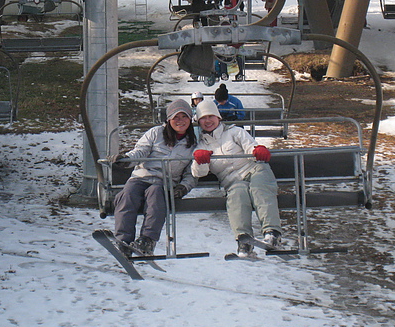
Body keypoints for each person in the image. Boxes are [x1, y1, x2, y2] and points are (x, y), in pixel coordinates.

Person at [191, 99, 282, 257]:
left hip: (254, 169)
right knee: (236, 197)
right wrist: (200, 161)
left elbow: (249, 144)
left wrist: (257, 150)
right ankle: (244, 241)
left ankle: (272, 233)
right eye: (203, 118)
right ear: (198, 121)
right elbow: (198, 173)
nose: (208, 121)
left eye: (211, 116)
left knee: (259, 189)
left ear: (218, 117)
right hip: (233, 181)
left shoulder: (234, 132)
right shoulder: (202, 145)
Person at [109, 99, 197, 256]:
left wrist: (183, 187)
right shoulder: (155, 133)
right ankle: (123, 241)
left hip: (164, 182)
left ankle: (147, 240)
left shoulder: (192, 144)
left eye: (184, 117)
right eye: (176, 117)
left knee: (156, 194)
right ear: (169, 119)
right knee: (127, 195)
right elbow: (141, 151)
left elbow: (192, 172)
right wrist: (126, 160)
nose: (180, 121)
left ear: (190, 119)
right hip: (142, 176)